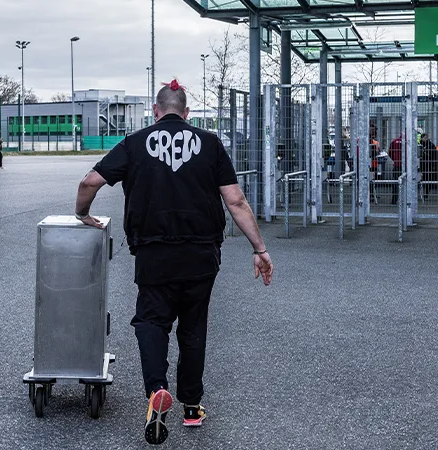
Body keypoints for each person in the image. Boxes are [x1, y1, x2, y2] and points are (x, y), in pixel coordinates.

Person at [74, 79, 273, 446]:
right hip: (201, 254)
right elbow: (236, 201)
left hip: (154, 253)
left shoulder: (135, 143)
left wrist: (82, 214)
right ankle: (192, 407)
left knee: (151, 320)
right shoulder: (211, 144)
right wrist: (259, 248)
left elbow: (90, 182)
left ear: (155, 111)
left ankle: (157, 390)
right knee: (193, 328)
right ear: (187, 113)